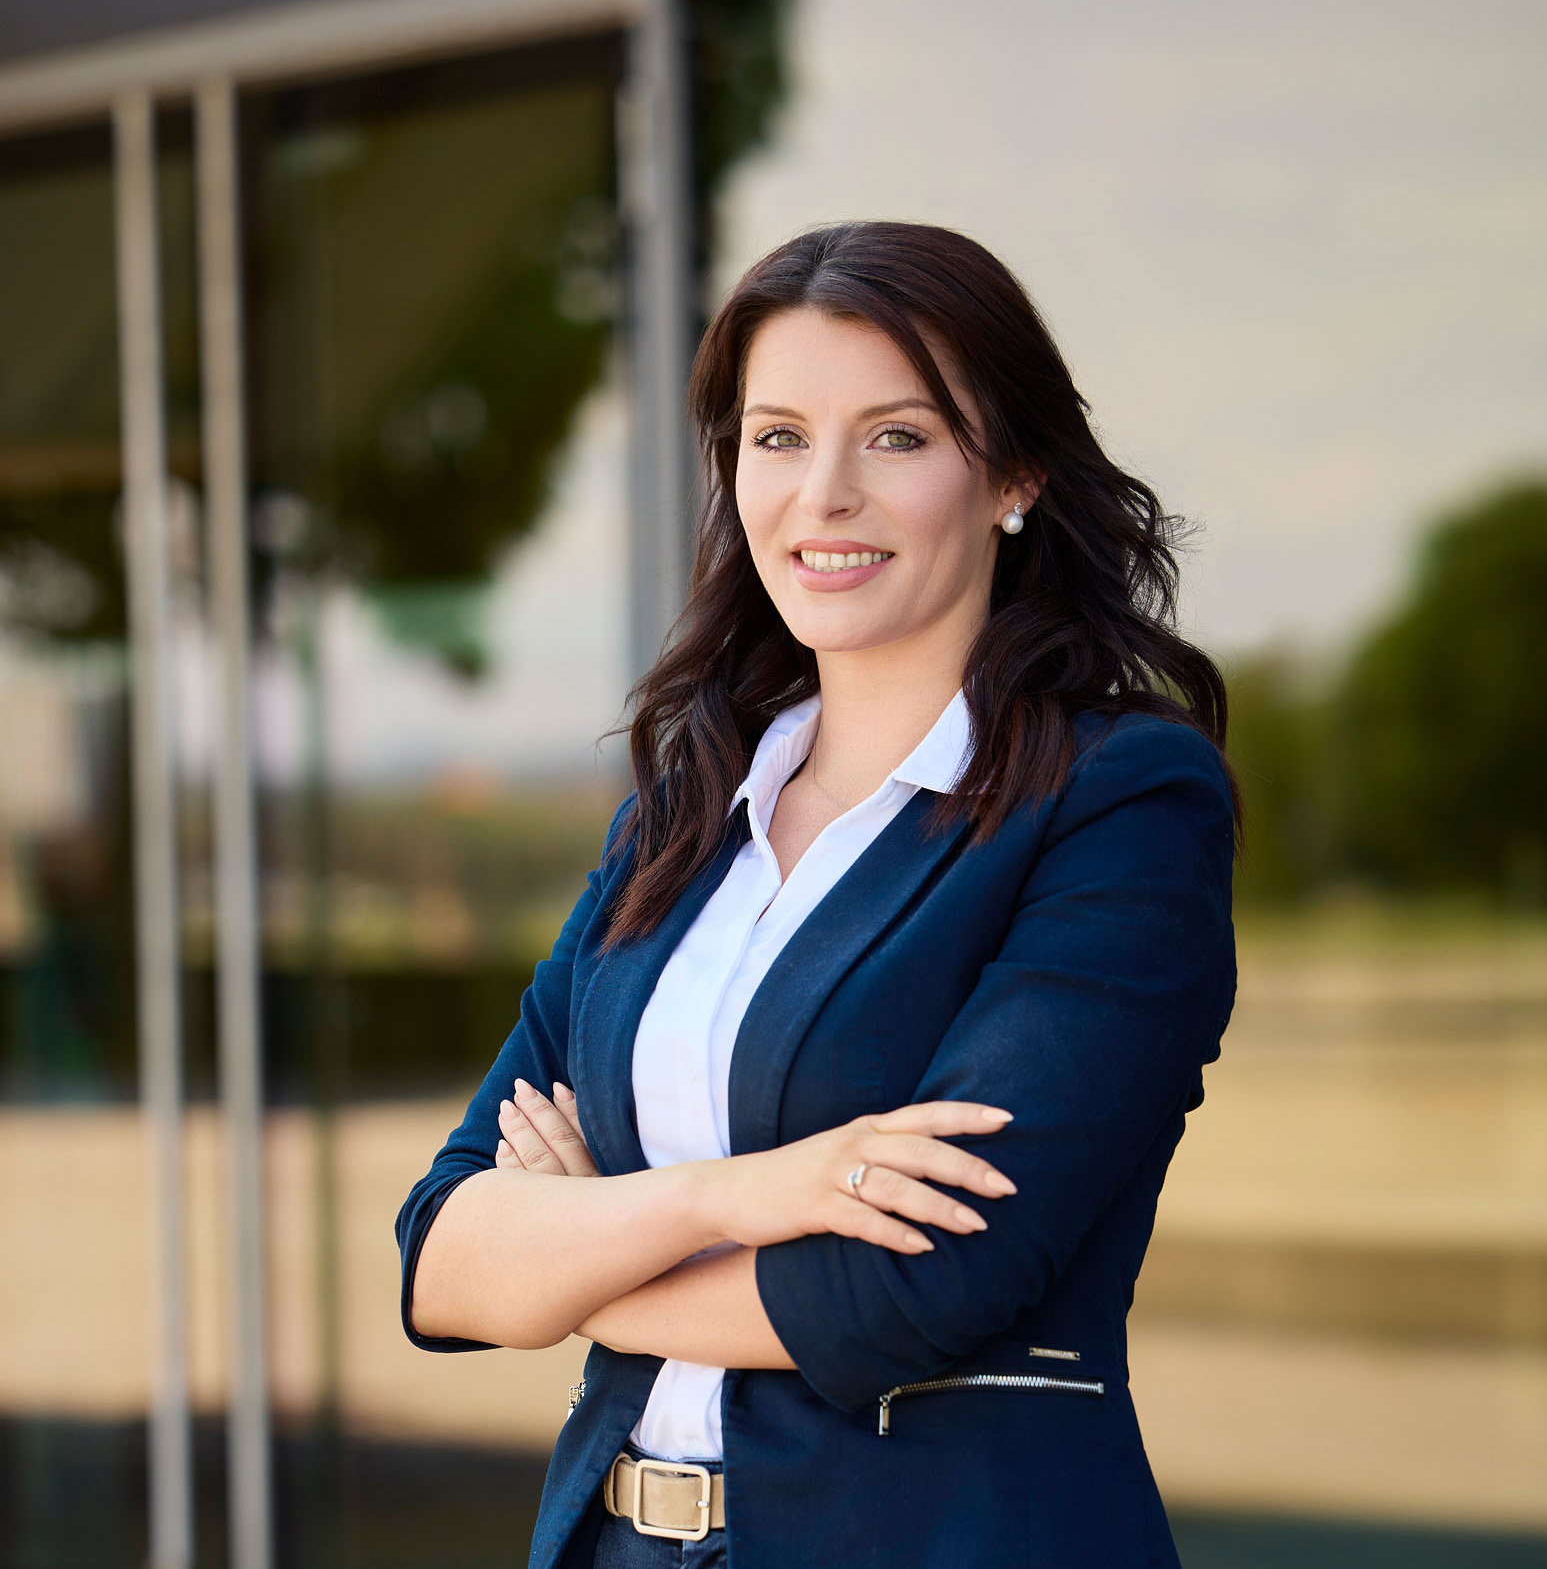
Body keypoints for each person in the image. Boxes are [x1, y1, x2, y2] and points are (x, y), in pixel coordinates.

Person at [394, 220, 1241, 1568]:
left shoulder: (1119, 807)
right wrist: (735, 1197)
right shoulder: (676, 821)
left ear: (1014, 474)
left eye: (895, 438)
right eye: (777, 438)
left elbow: (922, 1282)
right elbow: (440, 1258)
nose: (823, 493)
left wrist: (572, 1259)